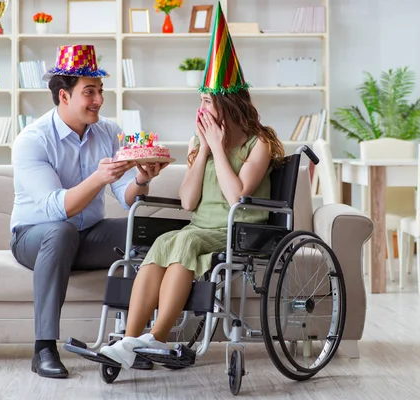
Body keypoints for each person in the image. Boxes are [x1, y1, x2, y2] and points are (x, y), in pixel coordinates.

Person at [99, 3, 285, 369]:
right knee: (165, 240)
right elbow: (188, 203)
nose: (200, 109)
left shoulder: (259, 143)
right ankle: (129, 341)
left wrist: (216, 146)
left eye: (206, 101)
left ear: (228, 105)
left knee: (183, 240)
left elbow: (238, 197)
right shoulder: (200, 143)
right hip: (203, 230)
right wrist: (201, 152)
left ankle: (160, 337)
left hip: (241, 230)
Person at [10, 44, 167, 379]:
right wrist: (98, 177)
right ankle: (44, 348)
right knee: (60, 229)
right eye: (89, 92)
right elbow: (57, 208)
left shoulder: (108, 131)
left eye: (100, 91)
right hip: (34, 237)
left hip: (88, 235)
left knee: (147, 233)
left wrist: (141, 178)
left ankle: (130, 342)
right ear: (64, 96)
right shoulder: (32, 140)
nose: (98, 100)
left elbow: (126, 197)